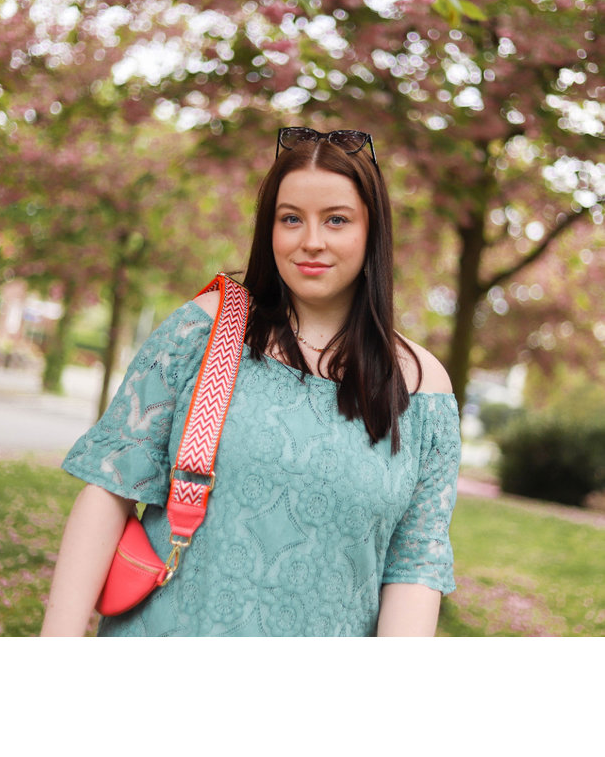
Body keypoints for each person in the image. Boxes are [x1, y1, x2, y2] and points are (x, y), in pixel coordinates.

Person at [41, 126, 461, 637]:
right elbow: (111, 487)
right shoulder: (207, 329)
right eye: (291, 219)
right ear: (269, 229)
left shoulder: (422, 388)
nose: (311, 241)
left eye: (336, 220)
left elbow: (414, 565)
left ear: (372, 232)